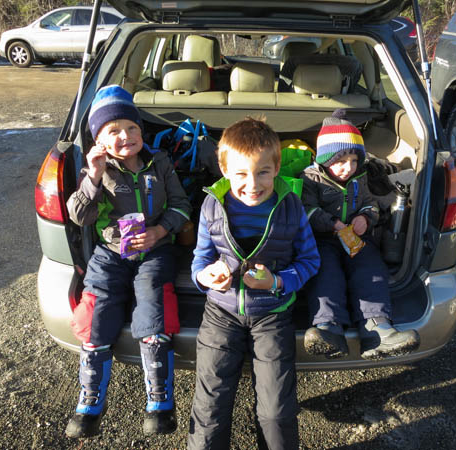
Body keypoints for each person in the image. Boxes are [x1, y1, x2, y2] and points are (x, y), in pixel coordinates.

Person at [64, 85, 192, 438]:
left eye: (132, 127)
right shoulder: (98, 171)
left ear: (141, 129)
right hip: (110, 253)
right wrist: (92, 176)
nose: (126, 136)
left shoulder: (159, 163)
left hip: (155, 250)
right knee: (96, 312)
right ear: (99, 141)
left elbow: (182, 205)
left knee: (154, 308)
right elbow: (79, 216)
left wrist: (160, 231)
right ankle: (90, 404)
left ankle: (160, 403)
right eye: (113, 130)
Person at [187, 118, 320, 450]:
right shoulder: (212, 205)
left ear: (276, 167)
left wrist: (277, 281)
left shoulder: (291, 206)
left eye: (263, 172)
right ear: (224, 170)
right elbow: (200, 259)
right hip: (221, 313)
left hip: (273, 313)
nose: (252, 184)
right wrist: (205, 277)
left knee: (276, 412)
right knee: (209, 408)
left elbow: (310, 260)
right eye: (241, 174)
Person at [300, 114, 420, 360]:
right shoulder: (311, 179)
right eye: (341, 161)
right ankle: (329, 328)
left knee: (371, 270)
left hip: (356, 238)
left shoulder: (359, 178)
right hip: (323, 240)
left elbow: (370, 204)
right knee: (326, 273)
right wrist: (332, 223)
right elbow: (307, 210)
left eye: (354, 160)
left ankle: (377, 329)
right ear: (325, 160)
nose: (349, 167)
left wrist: (366, 218)